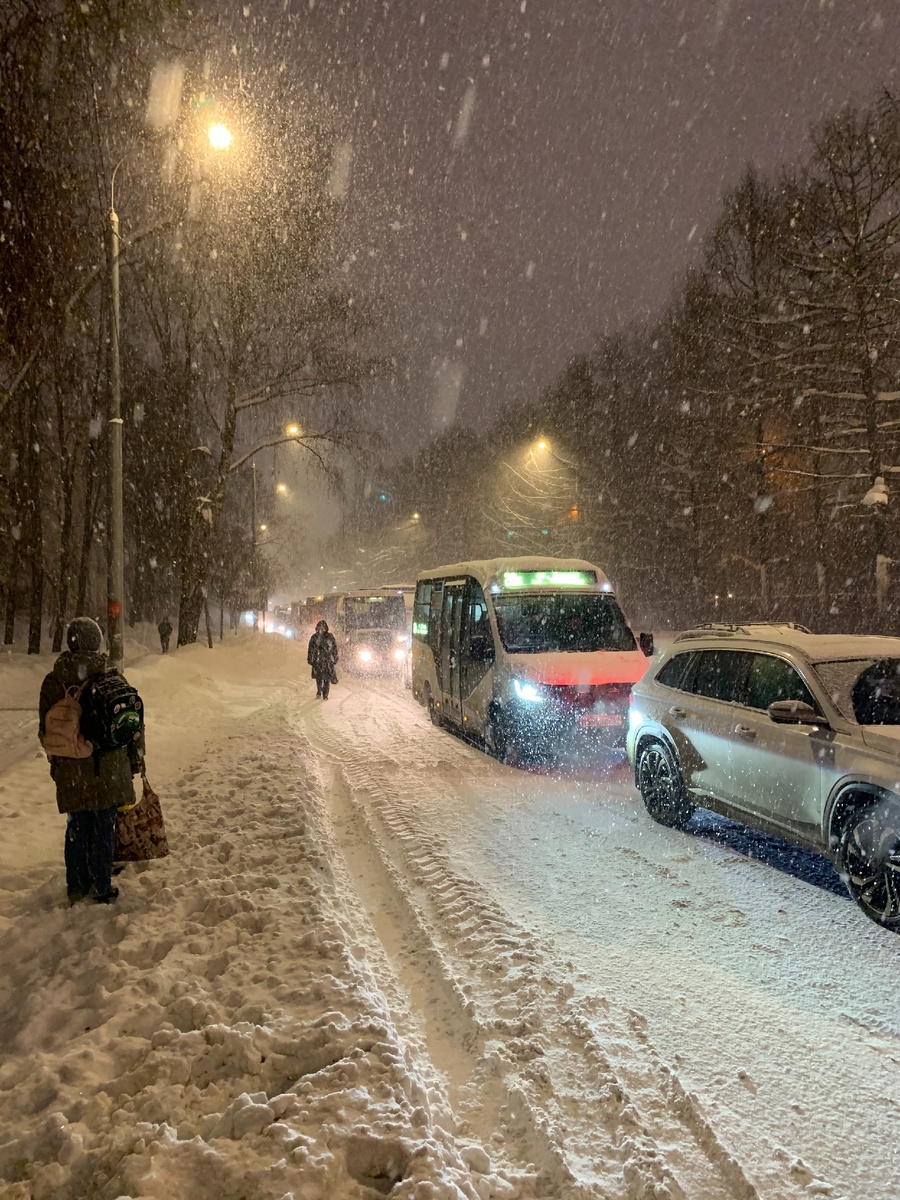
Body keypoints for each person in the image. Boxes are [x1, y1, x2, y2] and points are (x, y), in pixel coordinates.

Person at [39, 618, 144, 905]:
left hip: (71, 768)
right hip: (108, 767)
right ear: (97, 642)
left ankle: (76, 886)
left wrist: (59, 760)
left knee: (76, 828)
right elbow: (131, 726)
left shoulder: (53, 681)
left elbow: (44, 730)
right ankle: (101, 884)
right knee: (103, 827)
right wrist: (136, 760)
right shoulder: (111, 677)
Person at [307, 619, 338, 700]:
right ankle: (319, 691)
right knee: (319, 678)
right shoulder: (314, 637)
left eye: (323, 628)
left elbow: (334, 648)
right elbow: (310, 649)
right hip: (318, 661)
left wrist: (335, 657)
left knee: (327, 679)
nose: (321, 630)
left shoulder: (330, 637)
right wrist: (310, 658)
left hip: (327, 661)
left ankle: (325, 694)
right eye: (320, 628)